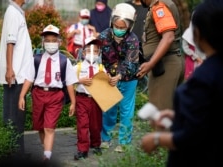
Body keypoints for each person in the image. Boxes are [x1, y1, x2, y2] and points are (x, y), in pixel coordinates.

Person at [140, 0, 223, 166]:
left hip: (201, 157)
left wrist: (157, 139)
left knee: (159, 109)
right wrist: (178, 116)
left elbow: (193, 135)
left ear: (197, 34)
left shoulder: (205, 77)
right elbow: (210, 115)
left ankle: (157, 159)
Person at [18, 24, 78, 163]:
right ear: (43, 42)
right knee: (40, 127)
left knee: (49, 127)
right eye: (48, 40)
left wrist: (73, 103)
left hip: (55, 96)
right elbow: (29, 78)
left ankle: (47, 156)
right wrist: (22, 95)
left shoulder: (64, 61)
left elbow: (69, 82)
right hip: (38, 94)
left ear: (59, 42)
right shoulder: (36, 59)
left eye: (54, 40)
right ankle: (46, 148)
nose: (51, 43)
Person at [97, 3, 140, 152]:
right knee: (108, 109)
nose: (119, 29)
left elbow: (132, 63)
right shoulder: (103, 36)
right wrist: (104, 73)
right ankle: (105, 139)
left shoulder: (133, 40)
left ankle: (124, 142)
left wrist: (120, 76)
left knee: (126, 110)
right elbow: (95, 56)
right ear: (112, 22)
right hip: (107, 78)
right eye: (117, 26)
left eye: (122, 27)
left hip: (128, 79)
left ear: (129, 26)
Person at [0, 0, 33, 156]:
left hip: (19, 76)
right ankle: (14, 155)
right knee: (13, 119)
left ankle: (18, 153)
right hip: (15, 76)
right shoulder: (12, 12)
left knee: (17, 118)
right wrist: (10, 69)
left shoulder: (17, 12)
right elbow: (10, 43)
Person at [136, 0, 184, 110]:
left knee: (160, 114)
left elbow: (168, 37)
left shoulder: (159, 7)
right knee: (170, 114)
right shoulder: (162, 4)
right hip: (170, 62)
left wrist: (151, 63)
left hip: (165, 66)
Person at [73, 36, 106, 160]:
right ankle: (82, 149)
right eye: (89, 50)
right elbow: (69, 80)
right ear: (84, 51)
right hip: (82, 99)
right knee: (82, 124)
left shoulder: (101, 68)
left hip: (96, 100)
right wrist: (79, 80)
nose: (92, 54)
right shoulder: (78, 67)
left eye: (95, 51)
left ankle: (96, 144)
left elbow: (106, 83)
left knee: (96, 124)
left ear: (99, 53)